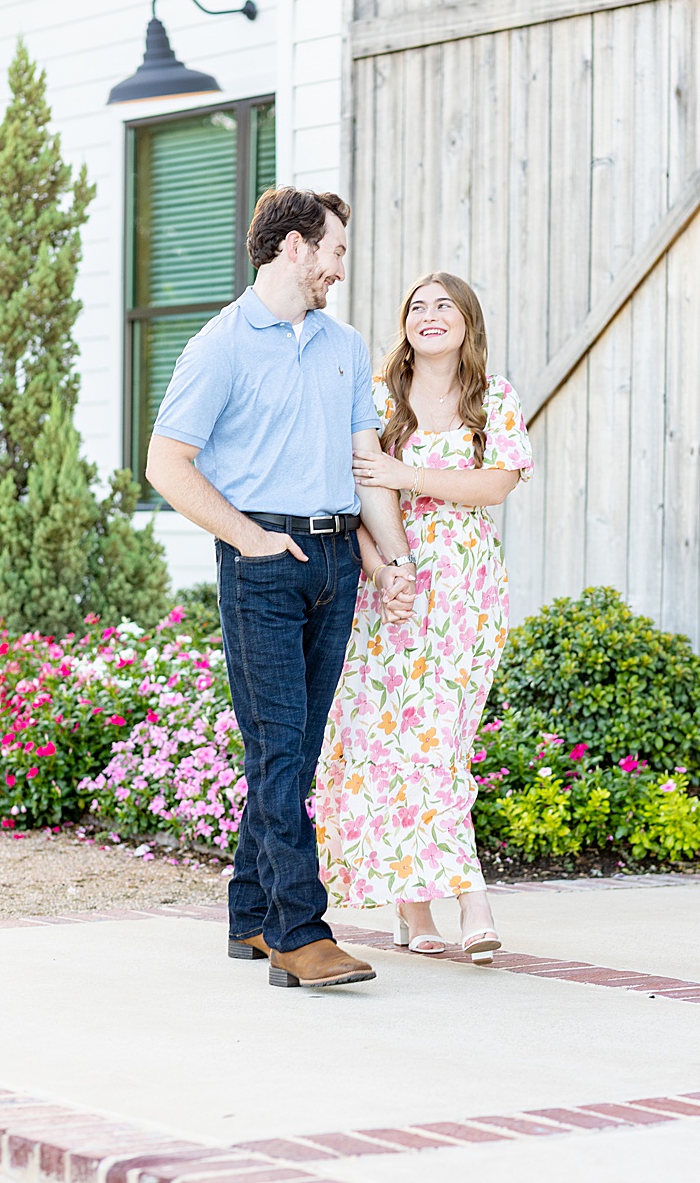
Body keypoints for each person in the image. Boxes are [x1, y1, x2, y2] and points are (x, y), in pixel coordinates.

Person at [145, 186, 414, 990]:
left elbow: (365, 465)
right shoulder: (220, 344)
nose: (340, 266)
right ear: (294, 247)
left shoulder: (346, 344)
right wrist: (249, 538)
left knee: (291, 750)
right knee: (280, 747)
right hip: (263, 562)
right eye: (333, 249)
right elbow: (166, 464)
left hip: (335, 561)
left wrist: (389, 560)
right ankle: (299, 931)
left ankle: (250, 912)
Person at [313, 272, 533, 959]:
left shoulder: (493, 398)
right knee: (397, 739)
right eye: (417, 306)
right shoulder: (377, 400)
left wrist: (407, 476)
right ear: (404, 324)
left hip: (467, 591)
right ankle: (428, 906)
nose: (430, 315)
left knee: (440, 741)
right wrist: (380, 571)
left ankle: (460, 893)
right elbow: (348, 497)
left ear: (468, 321)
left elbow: (496, 484)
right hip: (392, 594)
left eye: (444, 305)